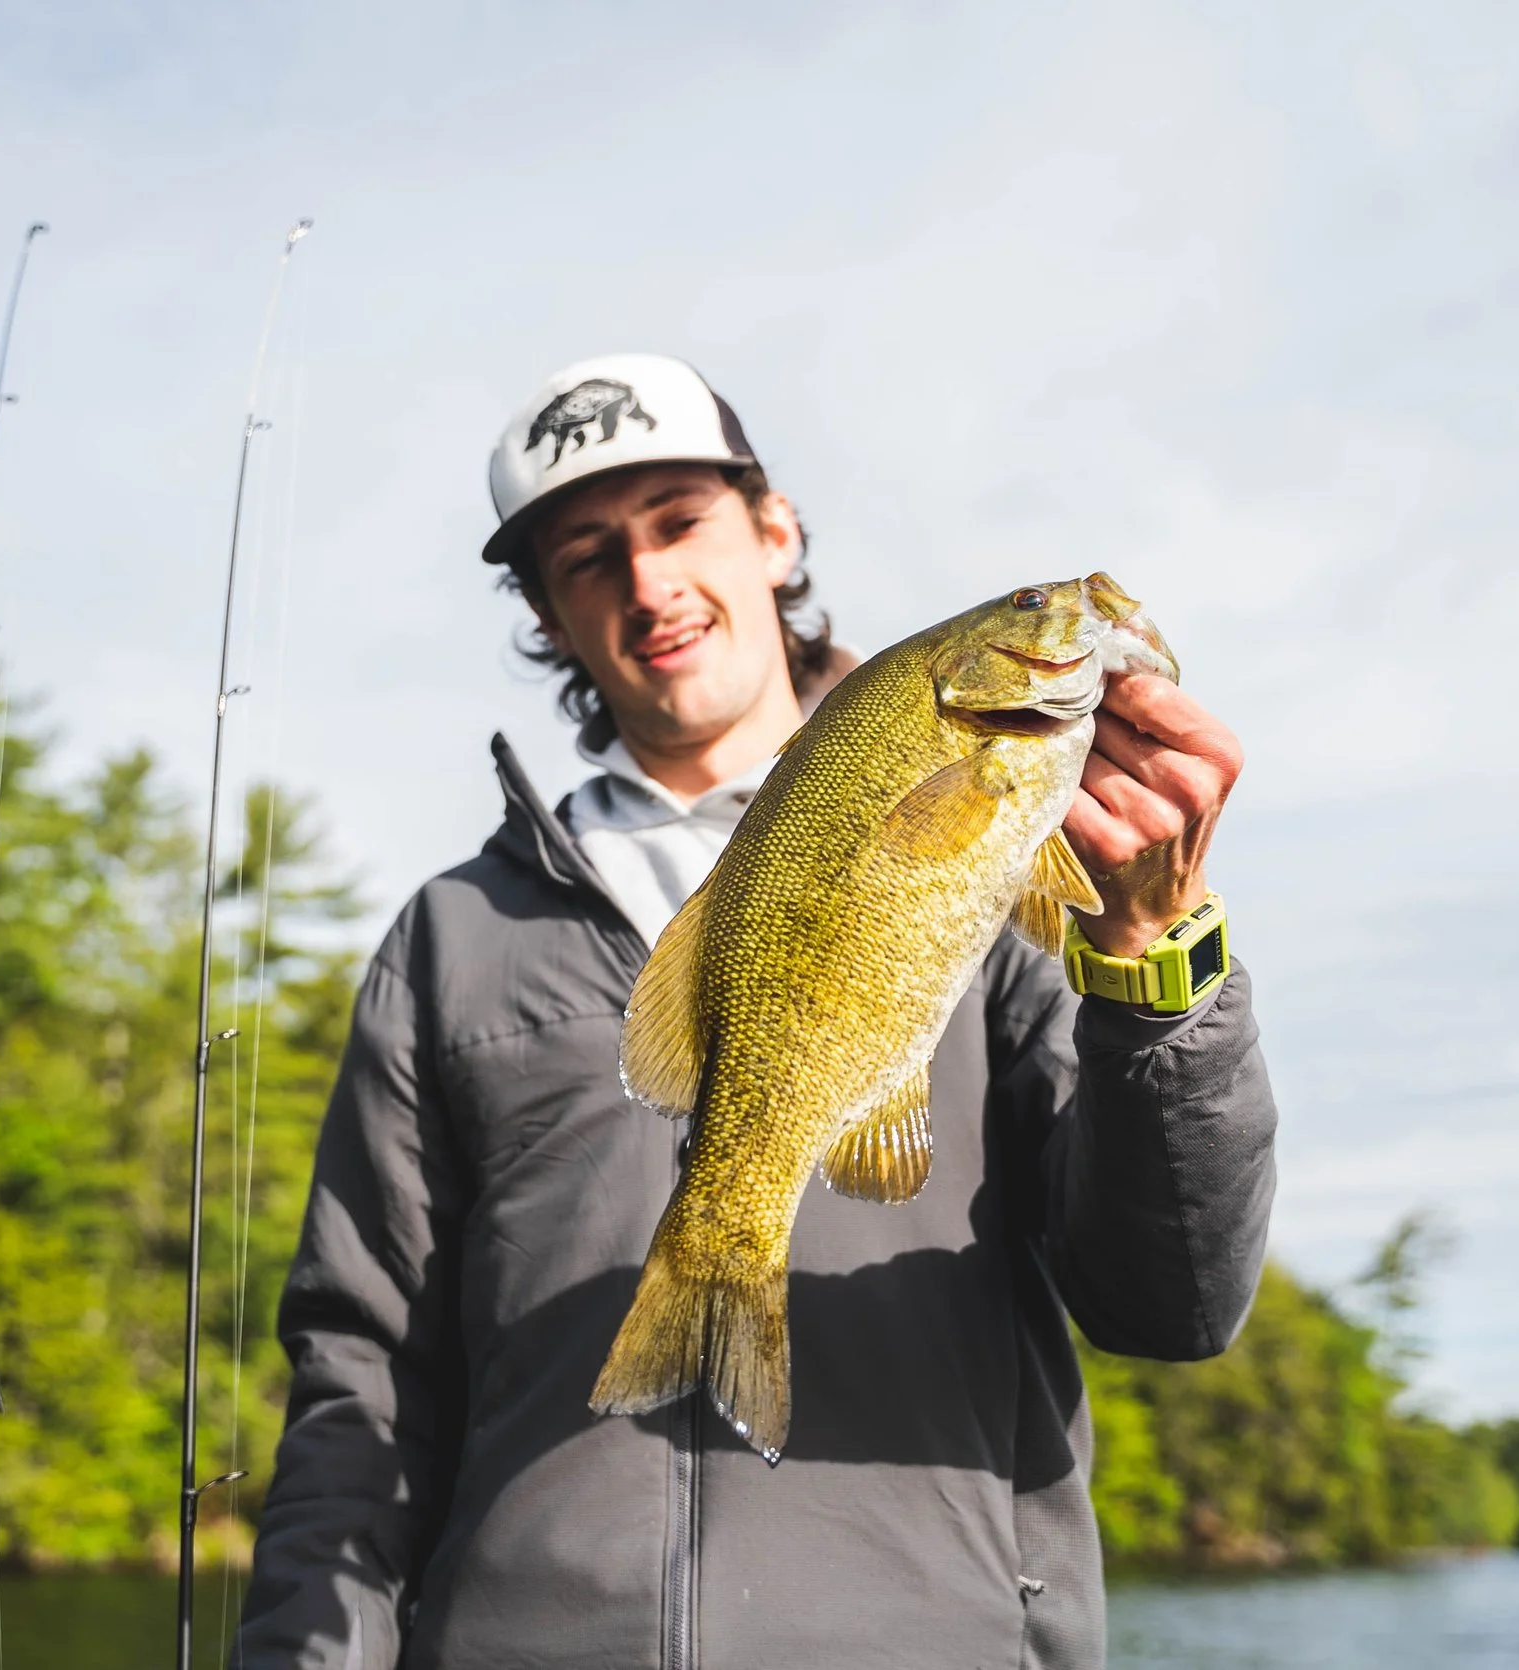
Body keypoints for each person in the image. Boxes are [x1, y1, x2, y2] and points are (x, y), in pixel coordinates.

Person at [237, 354, 1276, 1670]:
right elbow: (361, 1378)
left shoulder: (1022, 872)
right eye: (588, 558)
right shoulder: (454, 940)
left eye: (680, 522)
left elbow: (1171, 1304)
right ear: (550, 618)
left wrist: (1153, 958)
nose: (649, 582)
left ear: (772, 529)